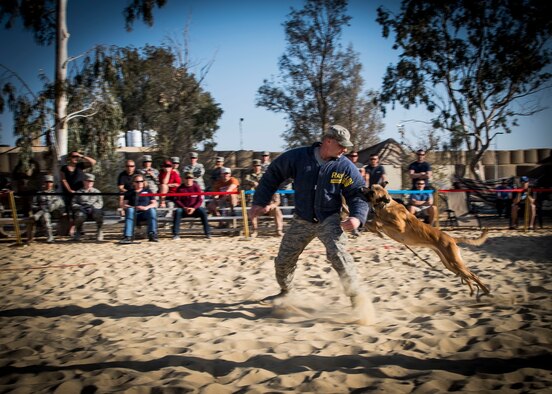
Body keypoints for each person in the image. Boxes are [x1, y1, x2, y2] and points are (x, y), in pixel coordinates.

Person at [249, 125, 370, 312]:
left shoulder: (345, 166)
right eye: (342, 145)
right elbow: (272, 175)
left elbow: (357, 193)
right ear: (328, 141)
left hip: (329, 219)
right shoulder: (298, 157)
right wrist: (260, 200)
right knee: (283, 260)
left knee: (339, 255)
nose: (345, 150)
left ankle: (356, 298)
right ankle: (285, 291)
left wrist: (357, 217)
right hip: (301, 219)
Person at [245, 160, 283, 236]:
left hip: (269, 207)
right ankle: (255, 231)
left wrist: (269, 206)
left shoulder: (273, 185)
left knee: (277, 210)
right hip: (259, 206)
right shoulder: (256, 188)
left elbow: (277, 201)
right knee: (252, 211)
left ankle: (279, 230)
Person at [119, 174, 159, 243]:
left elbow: (155, 203)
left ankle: (152, 234)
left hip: (145, 213)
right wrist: (134, 208)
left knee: (152, 210)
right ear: (133, 183)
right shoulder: (129, 192)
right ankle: (128, 236)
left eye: (141, 181)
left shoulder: (148, 191)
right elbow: (124, 205)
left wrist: (146, 207)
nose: (140, 183)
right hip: (134, 213)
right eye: (137, 181)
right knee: (130, 210)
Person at [172, 172, 211, 240]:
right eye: (187, 178)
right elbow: (177, 200)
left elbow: (199, 200)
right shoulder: (180, 188)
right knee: (178, 211)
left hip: (194, 209)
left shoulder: (196, 187)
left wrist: (194, 208)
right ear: (184, 179)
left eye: (190, 178)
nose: (188, 180)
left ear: (193, 179)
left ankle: (208, 233)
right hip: (184, 209)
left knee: (202, 211)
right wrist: (184, 207)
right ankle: (176, 234)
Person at [28, 175, 65, 243]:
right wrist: (40, 207)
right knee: (45, 215)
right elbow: (33, 206)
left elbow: (62, 205)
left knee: (56, 203)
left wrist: (56, 208)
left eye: (50, 182)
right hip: (44, 213)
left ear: (52, 183)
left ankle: (37, 215)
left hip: (54, 212)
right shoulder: (39, 194)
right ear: (44, 183)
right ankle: (50, 237)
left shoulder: (56, 194)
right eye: (47, 182)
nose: (48, 184)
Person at [72, 173, 104, 241]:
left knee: (99, 214)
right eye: (88, 181)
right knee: (79, 215)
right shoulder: (79, 192)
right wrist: (80, 207)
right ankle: (78, 231)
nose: (90, 183)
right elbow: (73, 203)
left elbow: (100, 203)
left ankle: (99, 230)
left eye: (91, 181)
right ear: (84, 181)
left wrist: (93, 207)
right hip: (82, 211)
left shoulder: (97, 192)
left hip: (93, 211)